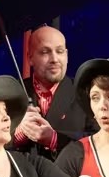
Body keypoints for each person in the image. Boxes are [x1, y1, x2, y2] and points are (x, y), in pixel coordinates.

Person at [12, 25, 97, 160]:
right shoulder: (12, 93)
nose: (54, 59)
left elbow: (99, 144)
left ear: (67, 55)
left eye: (60, 51)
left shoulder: (86, 93)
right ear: (30, 58)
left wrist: (54, 139)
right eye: (45, 52)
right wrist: (18, 134)